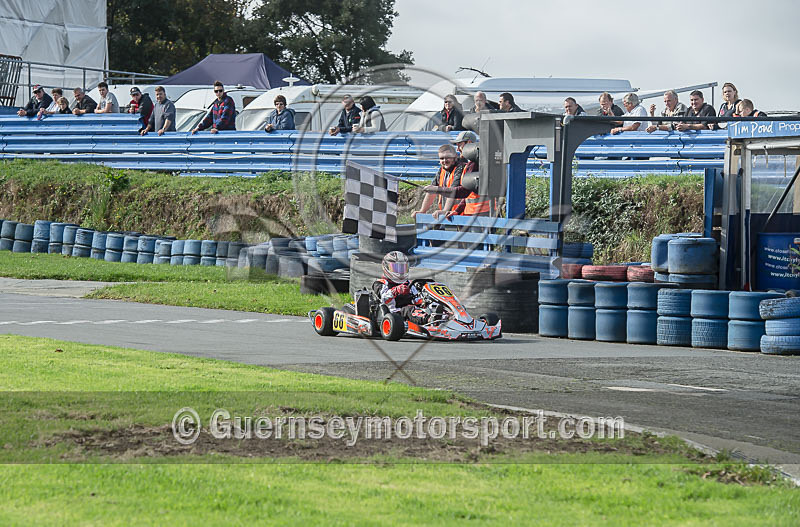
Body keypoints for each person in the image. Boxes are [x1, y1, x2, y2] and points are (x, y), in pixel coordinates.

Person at [413, 144, 471, 219]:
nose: (444, 161)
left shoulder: (461, 168)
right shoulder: (442, 170)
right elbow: (431, 191)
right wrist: (422, 211)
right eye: (442, 158)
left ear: (455, 156)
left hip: (460, 215)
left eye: (448, 158)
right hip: (448, 215)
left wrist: (445, 210)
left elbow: (453, 192)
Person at [372, 251, 429, 325]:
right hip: (393, 313)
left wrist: (423, 302)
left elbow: (416, 298)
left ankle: (442, 317)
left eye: (402, 268)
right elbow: (384, 298)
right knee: (408, 309)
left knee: (428, 306)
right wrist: (396, 290)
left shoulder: (409, 283)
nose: (400, 272)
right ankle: (428, 319)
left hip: (410, 311)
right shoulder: (380, 283)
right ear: (386, 267)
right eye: (396, 268)